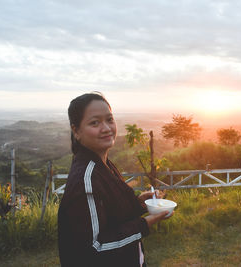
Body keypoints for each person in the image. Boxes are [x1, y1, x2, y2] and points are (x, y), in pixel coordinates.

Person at [58, 92, 171, 266]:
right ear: (76, 131)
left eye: (109, 120)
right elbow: (93, 247)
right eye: (94, 122)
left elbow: (111, 215)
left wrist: (139, 203)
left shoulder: (104, 164)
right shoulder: (85, 178)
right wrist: (145, 224)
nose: (106, 128)